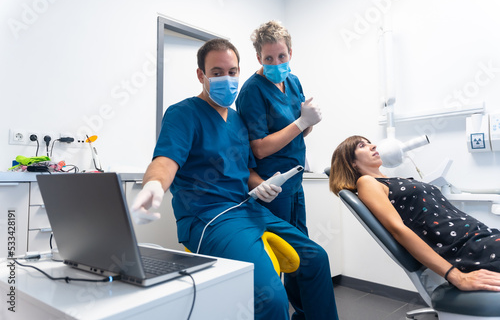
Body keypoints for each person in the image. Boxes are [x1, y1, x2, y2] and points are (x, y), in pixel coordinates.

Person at [131, 38, 338, 320]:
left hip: (248, 209)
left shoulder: (239, 121)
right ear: (201, 75)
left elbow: (246, 170)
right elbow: (165, 161)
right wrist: (154, 185)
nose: (226, 79)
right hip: (209, 218)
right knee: (271, 296)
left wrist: (260, 184)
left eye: (232, 72)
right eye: (217, 73)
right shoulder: (183, 114)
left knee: (315, 259)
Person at [329, 135, 500, 292]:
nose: (373, 145)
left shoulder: (394, 180)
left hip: (480, 236)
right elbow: (398, 230)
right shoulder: (366, 182)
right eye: (362, 145)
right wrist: (456, 276)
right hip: (465, 248)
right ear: (351, 162)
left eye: (369, 142)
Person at [236, 20, 321, 236]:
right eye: (269, 59)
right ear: (258, 58)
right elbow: (259, 148)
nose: (276, 63)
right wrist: (302, 122)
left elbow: (300, 134)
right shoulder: (252, 91)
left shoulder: (293, 81)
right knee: (281, 250)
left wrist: (308, 121)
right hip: (271, 185)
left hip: (295, 182)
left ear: (290, 52)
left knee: (301, 248)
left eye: (281, 56)